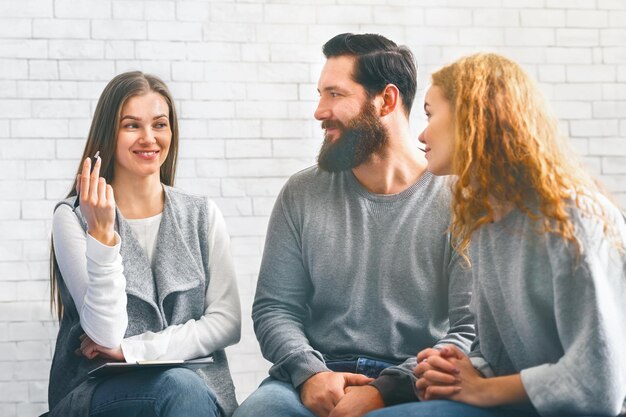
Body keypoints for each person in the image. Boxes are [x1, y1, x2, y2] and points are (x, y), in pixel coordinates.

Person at [368, 53, 626, 417]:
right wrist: (460, 370)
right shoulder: (487, 220)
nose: (422, 134)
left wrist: (483, 389)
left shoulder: (573, 217)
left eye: (429, 114)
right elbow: (501, 358)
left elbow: (600, 385)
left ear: (473, 118)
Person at [233, 33, 475, 417]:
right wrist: (310, 373)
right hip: (312, 378)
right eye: (320, 94)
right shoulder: (302, 192)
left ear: (386, 100)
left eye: (335, 94)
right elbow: (274, 309)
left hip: (413, 382)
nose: (319, 111)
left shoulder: (460, 200)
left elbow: (468, 329)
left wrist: (385, 391)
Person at [44, 71, 241, 417]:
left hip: (198, 388)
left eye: (160, 124)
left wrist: (135, 349)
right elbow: (104, 334)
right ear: (109, 133)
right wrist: (103, 235)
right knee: (179, 387)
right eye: (132, 125)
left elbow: (226, 322)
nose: (149, 138)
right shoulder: (72, 217)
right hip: (98, 392)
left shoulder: (202, 214)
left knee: (184, 387)